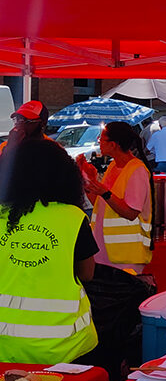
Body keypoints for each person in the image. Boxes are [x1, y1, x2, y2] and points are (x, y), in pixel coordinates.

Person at [0, 138, 99, 364]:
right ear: (63, 175)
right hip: (65, 347)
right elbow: (87, 274)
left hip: (3, 347)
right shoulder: (72, 218)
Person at [84, 122, 154, 273]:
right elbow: (100, 204)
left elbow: (131, 213)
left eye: (101, 139)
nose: (98, 142)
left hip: (126, 255)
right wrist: (88, 181)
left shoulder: (137, 170)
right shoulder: (113, 166)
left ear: (113, 144)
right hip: (103, 251)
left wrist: (104, 192)